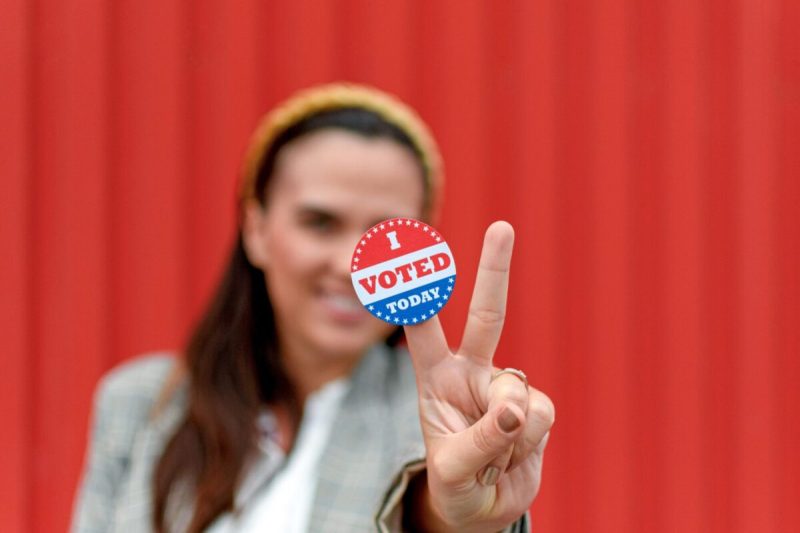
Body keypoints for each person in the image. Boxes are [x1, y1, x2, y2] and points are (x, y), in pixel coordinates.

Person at [71, 83, 555, 532]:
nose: (351, 265)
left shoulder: (441, 418)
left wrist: (455, 519)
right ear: (256, 229)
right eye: (320, 223)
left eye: (382, 235)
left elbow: (430, 503)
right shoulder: (137, 403)